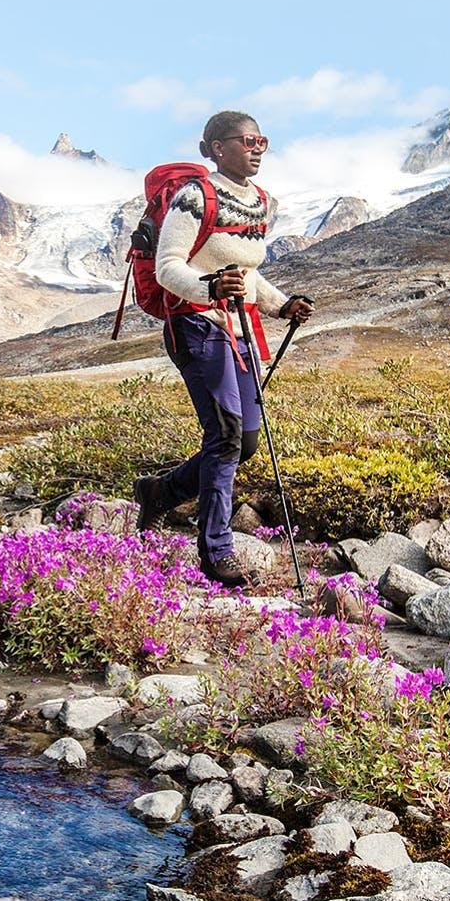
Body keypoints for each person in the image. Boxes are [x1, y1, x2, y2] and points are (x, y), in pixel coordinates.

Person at [132, 111, 313, 588]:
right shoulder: (194, 198)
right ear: (215, 148)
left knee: (245, 441)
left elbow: (246, 272)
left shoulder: (261, 203)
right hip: (195, 325)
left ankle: (158, 493)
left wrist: (281, 306)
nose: (256, 148)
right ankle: (216, 552)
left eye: (263, 141)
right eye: (247, 140)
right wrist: (208, 288)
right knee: (227, 436)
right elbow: (169, 266)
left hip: (241, 326)